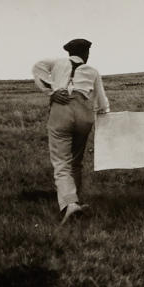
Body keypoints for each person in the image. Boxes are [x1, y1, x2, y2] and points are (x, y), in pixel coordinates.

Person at [32, 37, 110, 224]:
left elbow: (37, 68)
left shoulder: (57, 63)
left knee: (61, 162)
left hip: (61, 111)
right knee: (76, 161)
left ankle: (70, 204)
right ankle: (76, 201)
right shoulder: (92, 71)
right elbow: (102, 102)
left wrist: (52, 91)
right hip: (85, 114)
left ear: (69, 52)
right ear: (87, 54)